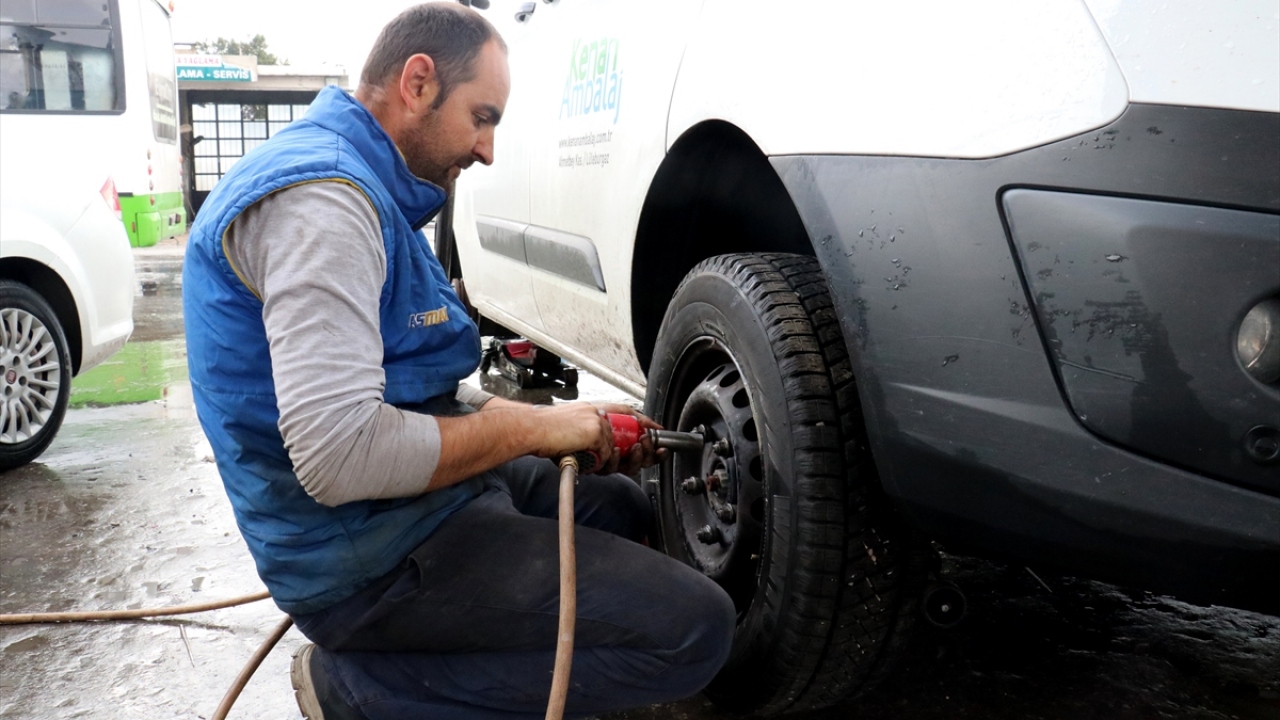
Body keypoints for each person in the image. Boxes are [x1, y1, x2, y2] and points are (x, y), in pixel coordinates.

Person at [181, 4, 735, 719]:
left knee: (618, 507)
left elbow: (414, 381)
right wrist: (530, 430)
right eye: (482, 117)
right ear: (417, 83)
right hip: (364, 558)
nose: (487, 150)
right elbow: (339, 456)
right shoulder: (324, 206)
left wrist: (548, 421)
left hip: (404, 506)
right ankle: (364, 692)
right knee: (695, 633)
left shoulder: (372, 186)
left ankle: (464, 673)